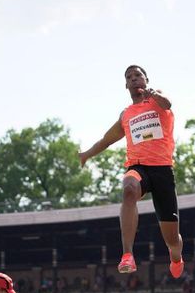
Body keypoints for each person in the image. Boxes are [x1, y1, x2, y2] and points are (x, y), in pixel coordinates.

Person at [78, 65, 184, 278]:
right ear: (126, 85)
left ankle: (176, 257)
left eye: (138, 75)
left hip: (162, 170)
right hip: (138, 167)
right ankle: (127, 255)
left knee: (172, 240)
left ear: (146, 79)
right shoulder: (126, 114)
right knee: (128, 189)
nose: (134, 79)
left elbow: (168, 103)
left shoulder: (158, 100)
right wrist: (86, 154)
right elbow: (107, 140)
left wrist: (153, 93)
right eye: (129, 77)